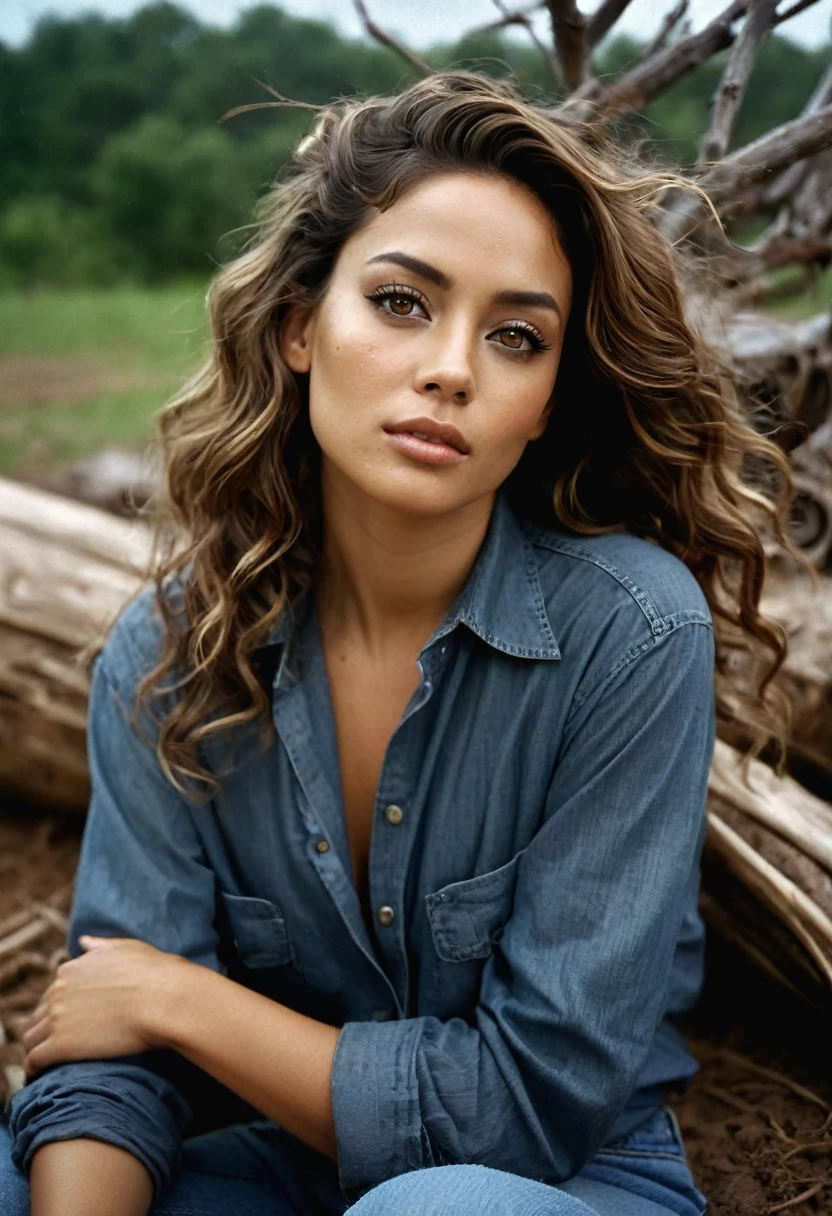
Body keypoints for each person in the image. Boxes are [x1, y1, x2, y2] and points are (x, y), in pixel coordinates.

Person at [1, 70, 795, 1216]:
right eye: (402, 303)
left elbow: (529, 1103)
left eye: (515, 336)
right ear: (296, 329)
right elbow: (104, 1070)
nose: (452, 369)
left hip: (549, 1185)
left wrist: (183, 999)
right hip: (268, 1171)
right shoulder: (172, 652)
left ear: (545, 399)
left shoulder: (630, 634)